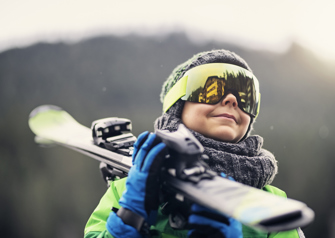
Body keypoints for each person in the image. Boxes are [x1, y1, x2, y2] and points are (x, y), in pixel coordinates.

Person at [84, 49, 305, 238]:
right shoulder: (127, 189)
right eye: (211, 89)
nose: (232, 100)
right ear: (177, 107)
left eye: (245, 95)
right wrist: (128, 220)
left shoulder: (272, 205)